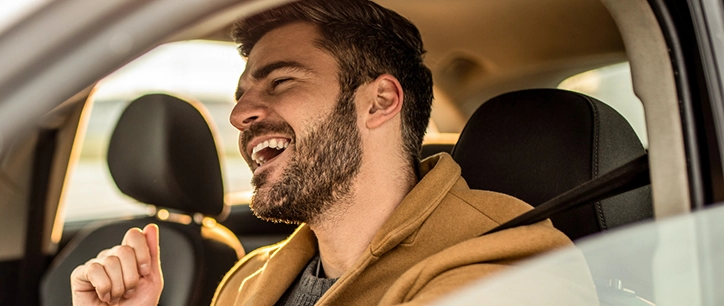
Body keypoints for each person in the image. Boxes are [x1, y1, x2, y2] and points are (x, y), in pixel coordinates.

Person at [70, 1, 585, 305]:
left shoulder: (500, 278)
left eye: (281, 81)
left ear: (380, 101)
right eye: (241, 95)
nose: (240, 114)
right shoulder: (251, 280)